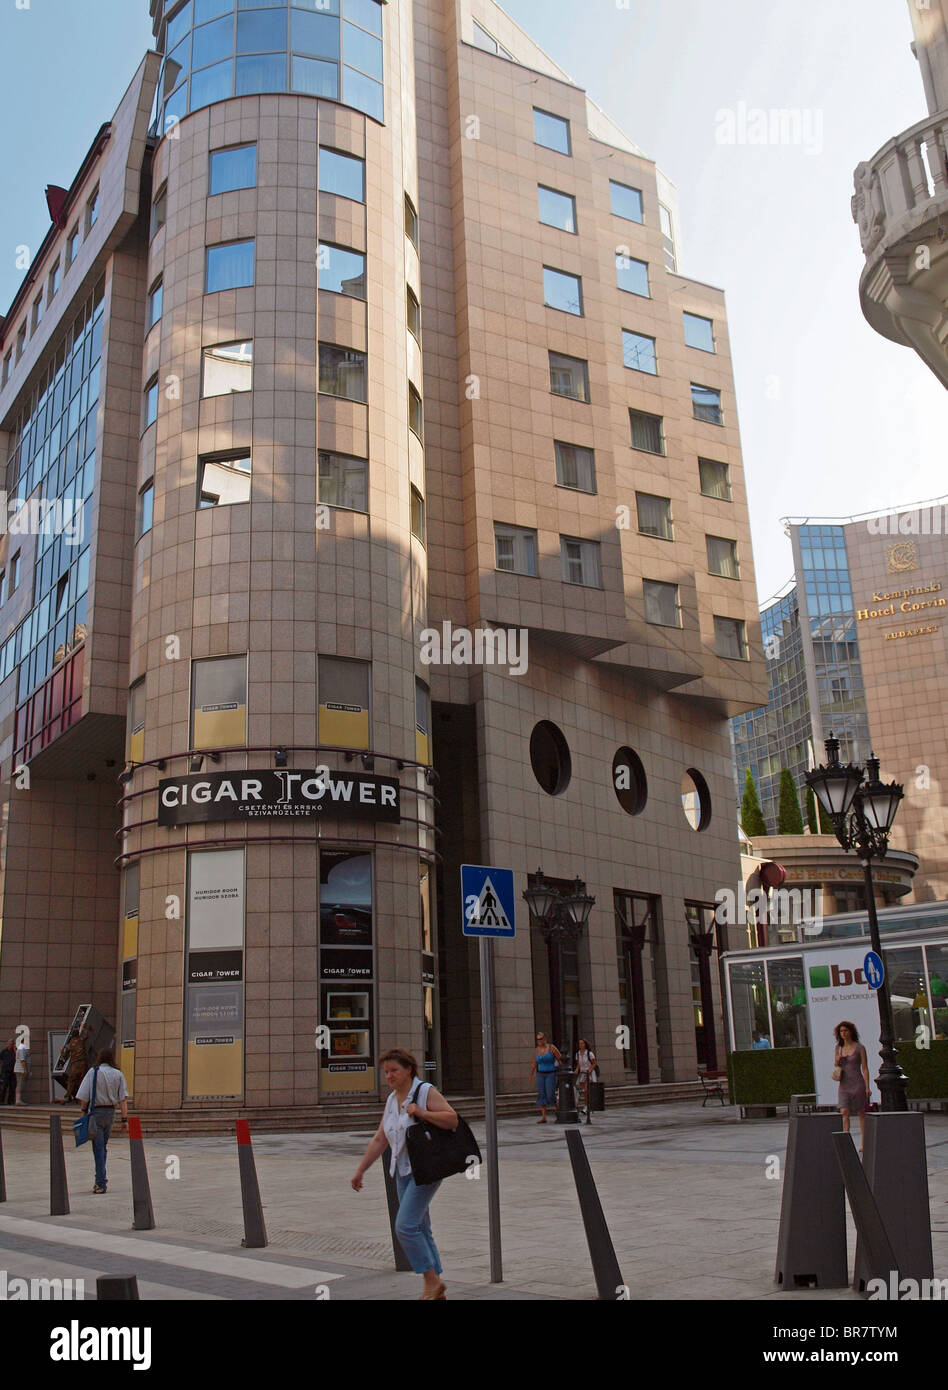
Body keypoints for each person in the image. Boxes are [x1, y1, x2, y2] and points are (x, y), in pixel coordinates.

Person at [351, 1048, 458, 1299]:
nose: (389, 1076)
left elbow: (452, 1119)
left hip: (426, 1170)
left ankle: (430, 1280)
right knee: (421, 1227)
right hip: (402, 1171)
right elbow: (380, 1139)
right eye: (386, 1072)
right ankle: (435, 1287)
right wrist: (360, 1170)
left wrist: (421, 1112)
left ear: (409, 1069)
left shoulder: (425, 1092)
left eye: (394, 1071)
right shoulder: (391, 1100)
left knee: (405, 1227)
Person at [75, 1048, 129, 1194]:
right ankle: (100, 1178)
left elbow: (83, 1096)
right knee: (103, 1146)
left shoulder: (93, 1072)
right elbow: (123, 1099)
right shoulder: (118, 1074)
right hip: (111, 1113)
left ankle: (100, 1182)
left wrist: (83, 1112)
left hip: (96, 1113)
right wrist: (125, 1119)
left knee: (98, 1148)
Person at [834, 1020, 871, 1154]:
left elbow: (865, 1068)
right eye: (841, 1031)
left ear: (851, 1032)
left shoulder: (860, 1048)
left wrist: (867, 1087)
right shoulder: (838, 1047)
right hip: (844, 1083)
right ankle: (846, 1141)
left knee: (861, 1112)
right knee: (844, 1111)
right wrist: (837, 1061)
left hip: (857, 1083)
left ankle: (864, 1143)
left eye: (845, 1031)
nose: (843, 1034)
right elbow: (836, 1066)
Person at [529, 1031, 561, 1123]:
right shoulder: (537, 1050)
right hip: (540, 1074)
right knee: (541, 1094)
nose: (539, 1041)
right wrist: (531, 1075)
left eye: (541, 1039)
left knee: (550, 1093)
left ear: (545, 1039)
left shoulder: (551, 1048)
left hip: (550, 1073)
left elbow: (560, 1058)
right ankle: (544, 1116)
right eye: (538, 1039)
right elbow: (534, 1063)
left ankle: (557, 1109)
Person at [63, 1027, 89, 1103]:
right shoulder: (81, 1040)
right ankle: (82, 1098)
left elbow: (64, 1056)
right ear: (78, 1034)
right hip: (83, 1064)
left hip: (75, 1065)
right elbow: (86, 1035)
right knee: (82, 1081)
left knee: (71, 1081)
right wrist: (84, 1027)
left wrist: (61, 1051)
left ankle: (67, 1096)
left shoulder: (69, 1044)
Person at [574, 1037, 597, 1110]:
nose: (581, 1045)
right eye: (579, 1043)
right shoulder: (577, 1054)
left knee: (586, 1090)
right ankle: (584, 1104)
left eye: (582, 1043)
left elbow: (594, 1063)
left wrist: (590, 1070)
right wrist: (577, 1069)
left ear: (585, 1044)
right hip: (582, 1073)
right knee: (581, 1090)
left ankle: (586, 1106)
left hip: (588, 1073)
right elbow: (578, 1064)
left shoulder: (589, 1053)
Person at [12, 1036, 30, 1105]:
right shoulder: (22, 1048)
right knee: (20, 1085)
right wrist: (25, 1070)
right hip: (21, 1070)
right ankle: (18, 1100)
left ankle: (18, 1100)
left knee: (20, 1084)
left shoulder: (20, 1048)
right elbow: (22, 1060)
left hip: (19, 1069)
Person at [0, 1040, 15, 1105]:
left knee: (12, 1087)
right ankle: (1, 1101)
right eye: (10, 1044)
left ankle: (10, 1101)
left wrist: (15, 1051)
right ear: (7, 1044)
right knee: (3, 1087)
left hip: (13, 1072)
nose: (11, 1045)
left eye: (12, 1044)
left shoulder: (15, 1051)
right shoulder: (3, 1051)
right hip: (5, 1072)